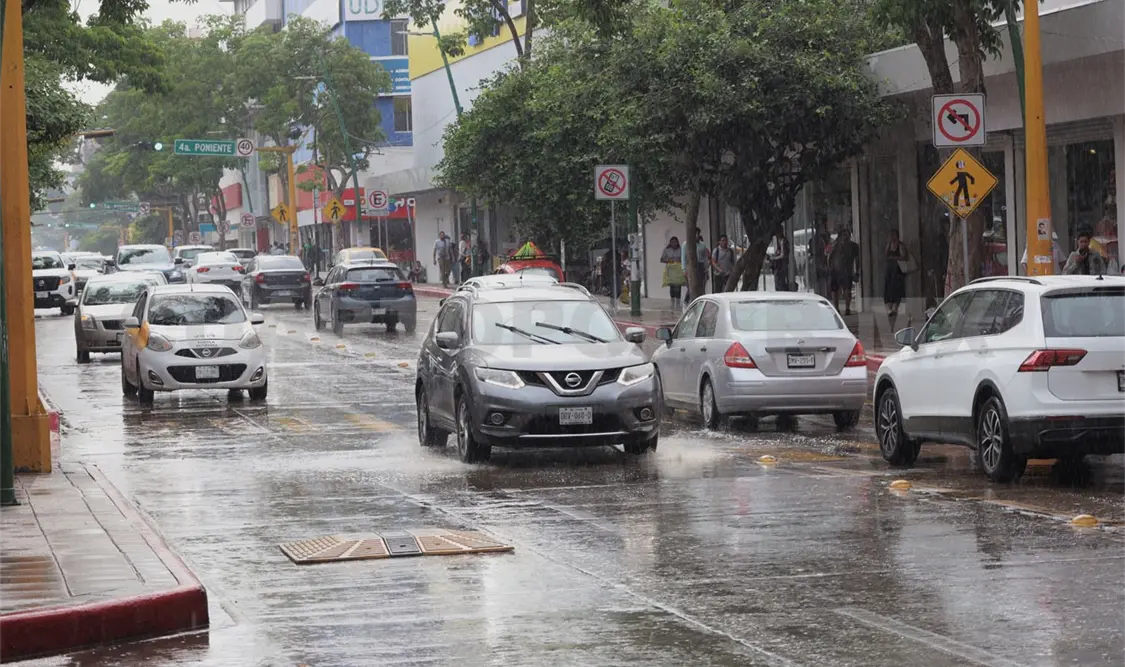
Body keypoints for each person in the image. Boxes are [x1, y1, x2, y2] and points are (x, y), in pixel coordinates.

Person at [829, 227, 860, 316]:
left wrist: (857, 271)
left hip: (846, 270)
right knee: (837, 290)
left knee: (846, 289)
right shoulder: (836, 245)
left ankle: (846, 308)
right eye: (843, 236)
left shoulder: (852, 246)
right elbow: (829, 257)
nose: (845, 238)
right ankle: (839, 308)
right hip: (837, 270)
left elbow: (857, 260)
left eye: (846, 236)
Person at [883, 230, 909, 330]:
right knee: (888, 290)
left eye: (893, 235)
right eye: (890, 235)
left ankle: (894, 309)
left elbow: (904, 257)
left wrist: (895, 258)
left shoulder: (900, 245)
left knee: (896, 290)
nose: (891, 237)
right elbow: (885, 255)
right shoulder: (889, 245)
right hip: (889, 270)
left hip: (897, 271)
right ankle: (890, 310)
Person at [681, 228, 710, 301]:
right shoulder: (686, 244)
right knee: (691, 287)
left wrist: (706, 269)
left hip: (700, 266)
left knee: (701, 286)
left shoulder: (702, 245)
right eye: (695, 234)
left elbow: (705, 258)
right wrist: (684, 269)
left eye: (698, 234)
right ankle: (687, 302)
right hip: (690, 267)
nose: (697, 235)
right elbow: (683, 257)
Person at [660, 237, 686, 309]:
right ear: (670, 243)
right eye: (672, 242)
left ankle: (678, 302)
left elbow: (685, 258)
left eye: (675, 242)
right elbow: (661, 259)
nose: (674, 243)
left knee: (678, 285)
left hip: (679, 269)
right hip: (670, 270)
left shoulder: (681, 250)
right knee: (672, 286)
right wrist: (668, 260)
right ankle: (672, 302)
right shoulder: (667, 250)